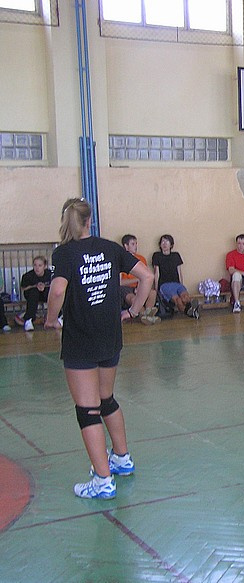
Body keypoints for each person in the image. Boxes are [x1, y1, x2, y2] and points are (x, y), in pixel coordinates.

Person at [44, 197, 154, 499]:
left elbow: (57, 290)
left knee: (87, 409)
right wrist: (133, 311)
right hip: (109, 334)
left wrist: (51, 319)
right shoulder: (110, 247)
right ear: (89, 220)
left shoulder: (64, 252)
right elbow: (147, 276)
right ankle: (121, 459)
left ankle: (103, 480)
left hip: (81, 337)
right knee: (106, 399)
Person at [151, 234, 200, 318]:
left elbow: (179, 271)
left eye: (167, 241)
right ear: (160, 244)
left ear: (171, 245)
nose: (164, 244)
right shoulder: (157, 255)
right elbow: (156, 273)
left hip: (177, 284)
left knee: (185, 297)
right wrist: (156, 290)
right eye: (162, 241)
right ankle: (189, 312)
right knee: (178, 300)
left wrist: (181, 285)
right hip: (165, 285)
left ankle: (192, 309)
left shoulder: (176, 255)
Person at [120, 234, 159, 325]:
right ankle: (144, 316)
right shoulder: (120, 260)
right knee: (134, 299)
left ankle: (148, 314)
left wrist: (140, 286)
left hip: (140, 285)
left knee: (152, 293)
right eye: (133, 244)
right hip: (126, 288)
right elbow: (120, 282)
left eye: (136, 243)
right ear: (126, 246)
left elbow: (147, 277)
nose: (136, 246)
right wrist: (137, 280)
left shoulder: (141, 259)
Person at [15, 255, 52, 332]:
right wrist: (35, 286)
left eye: (40, 265)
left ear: (45, 266)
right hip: (31, 294)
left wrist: (44, 286)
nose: (37, 268)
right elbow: (23, 288)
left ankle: (57, 316)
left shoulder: (50, 274)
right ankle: (29, 320)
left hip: (45, 294)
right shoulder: (28, 276)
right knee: (34, 292)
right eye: (35, 265)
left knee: (51, 292)